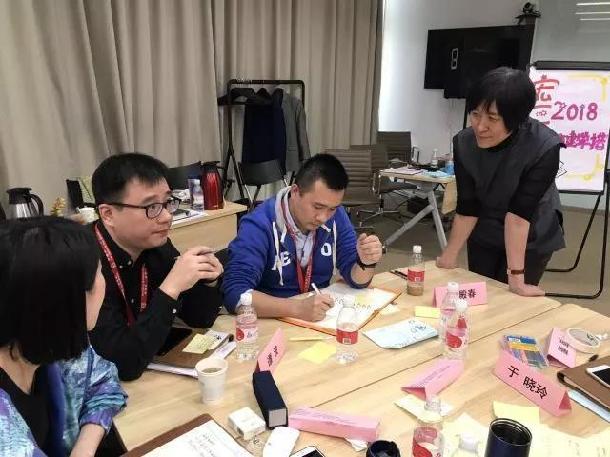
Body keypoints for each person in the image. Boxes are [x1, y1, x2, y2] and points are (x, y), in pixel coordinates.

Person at [89, 153, 224, 381]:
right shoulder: (85, 264)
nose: (166, 217)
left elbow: (200, 319)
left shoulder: (156, 246)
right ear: (108, 214)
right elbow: (122, 366)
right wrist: (170, 289)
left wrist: (208, 280)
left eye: (167, 203)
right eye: (151, 207)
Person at [0, 217, 127, 457]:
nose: (104, 284)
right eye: (100, 274)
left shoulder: (48, 344)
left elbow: (104, 383)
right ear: (64, 300)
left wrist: (83, 449)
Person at [436, 67, 565, 296]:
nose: (480, 126)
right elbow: (468, 206)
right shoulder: (464, 143)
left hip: (530, 232)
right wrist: (449, 255)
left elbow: (519, 216)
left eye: (492, 118)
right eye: (475, 114)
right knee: (481, 295)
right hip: (485, 228)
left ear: (516, 119)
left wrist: (516, 279)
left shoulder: (544, 146)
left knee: (513, 300)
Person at [223, 153, 384, 320]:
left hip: (318, 319)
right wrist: (297, 308)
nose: (323, 217)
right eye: (317, 207)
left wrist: (366, 262)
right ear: (295, 192)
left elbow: (356, 279)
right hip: (271, 321)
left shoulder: (336, 216)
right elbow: (235, 293)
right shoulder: (259, 224)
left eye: (332, 208)